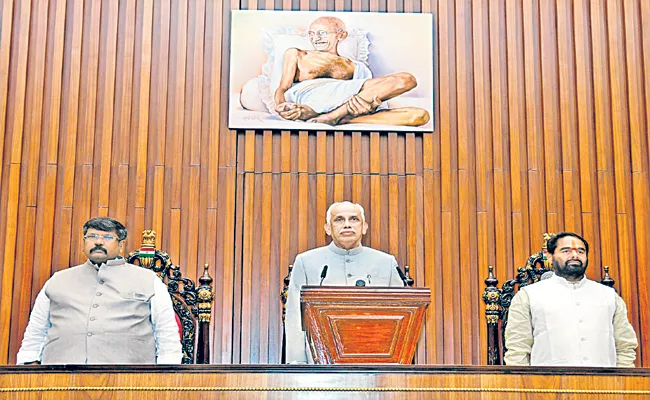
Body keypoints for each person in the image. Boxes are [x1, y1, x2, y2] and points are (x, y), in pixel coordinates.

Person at [16, 217, 182, 364]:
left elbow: (166, 332)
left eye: (107, 237)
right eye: (92, 236)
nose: (98, 242)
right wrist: (28, 364)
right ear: (84, 242)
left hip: (129, 381)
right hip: (60, 378)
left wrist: (168, 372)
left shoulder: (148, 280)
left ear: (121, 245)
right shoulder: (57, 280)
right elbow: (36, 330)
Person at [284, 201, 405, 363]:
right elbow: (294, 318)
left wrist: (397, 365)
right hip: (319, 365)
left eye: (354, 219)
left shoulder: (387, 263)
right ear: (328, 228)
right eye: (339, 219)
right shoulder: (306, 262)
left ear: (364, 227)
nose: (347, 225)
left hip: (376, 363)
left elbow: (401, 318)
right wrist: (297, 365)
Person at [504, 232, 638, 367]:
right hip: (548, 384)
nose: (575, 255)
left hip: (604, 385)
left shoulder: (608, 296)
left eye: (581, 251)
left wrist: (622, 380)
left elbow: (625, 346)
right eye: (566, 251)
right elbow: (517, 349)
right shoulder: (528, 295)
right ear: (549, 257)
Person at [274, 16, 430, 127]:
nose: (316, 38)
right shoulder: (297, 54)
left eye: (322, 33)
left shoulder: (356, 67)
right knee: (405, 81)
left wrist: (370, 105)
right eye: (312, 34)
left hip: (344, 105)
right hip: (310, 102)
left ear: (341, 35)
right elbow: (283, 87)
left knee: (419, 113)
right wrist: (280, 106)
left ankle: (339, 117)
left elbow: (368, 96)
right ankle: (333, 117)